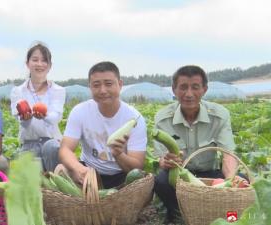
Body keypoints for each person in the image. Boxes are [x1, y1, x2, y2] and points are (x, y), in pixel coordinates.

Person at [153, 65, 239, 223]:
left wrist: (231, 180)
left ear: (204, 89)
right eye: (183, 87)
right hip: (179, 176)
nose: (189, 94)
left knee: (240, 179)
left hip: (210, 174)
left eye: (195, 87)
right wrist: (165, 161)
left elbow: (228, 154)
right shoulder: (163, 118)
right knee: (160, 180)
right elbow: (160, 158)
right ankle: (177, 212)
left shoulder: (219, 115)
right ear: (174, 90)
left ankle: (217, 212)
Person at [58, 61, 147, 189]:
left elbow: (137, 166)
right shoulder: (80, 111)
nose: (103, 90)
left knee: (140, 182)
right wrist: (78, 168)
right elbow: (65, 149)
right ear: (90, 87)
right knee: (61, 169)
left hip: (121, 175)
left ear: (120, 85)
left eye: (108, 84)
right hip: (89, 172)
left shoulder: (134, 118)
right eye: (96, 85)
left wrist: (118, 154)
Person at [10, 42, 65, 172]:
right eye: (35, 60)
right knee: (33, 185)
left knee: (51, 148)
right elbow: (23, 123)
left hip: (52, 143)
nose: (39, 64)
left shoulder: (58, 90)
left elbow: (55, 118)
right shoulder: (18, 91)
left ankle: (55, 190)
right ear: (27, 63)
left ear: (49, 66)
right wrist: (26, 118)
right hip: (29, 145)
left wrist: (44, 115)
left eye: (44, 60)